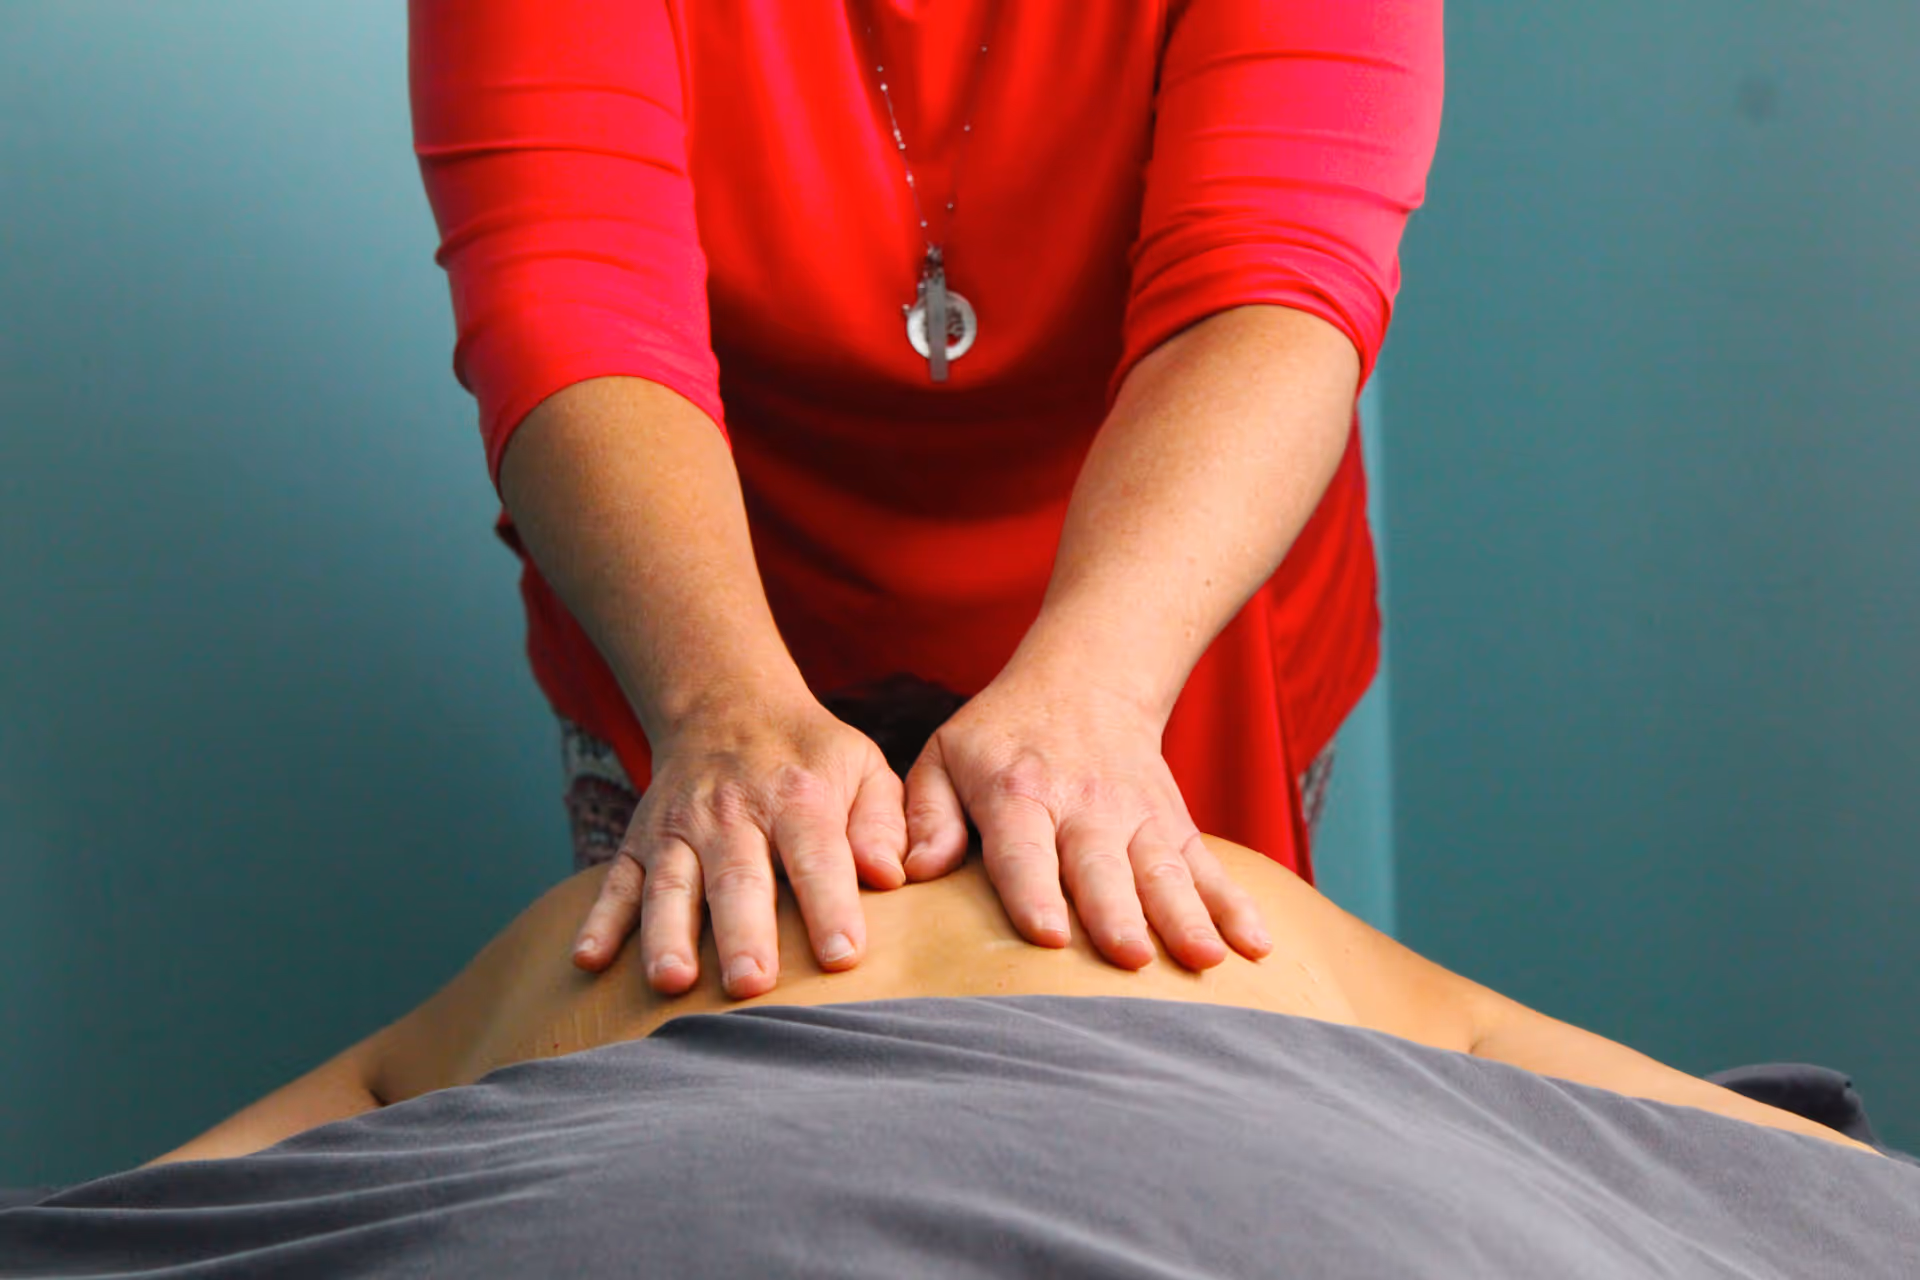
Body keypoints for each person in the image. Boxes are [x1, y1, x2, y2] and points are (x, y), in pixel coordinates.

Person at [405, 0, 1446, 1000]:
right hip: (698, 583)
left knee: (1205, 1071)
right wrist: (718, 707)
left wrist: (1101, 695)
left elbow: (1274, 280)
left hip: (1170, 568)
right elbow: (571, 295)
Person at [11, 834, 1912, 1279]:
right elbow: (1552, 1070)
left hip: (633, 1200)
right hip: (1295, 1177)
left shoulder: (613, 913)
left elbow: (219, 1183)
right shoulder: (1223, 893)